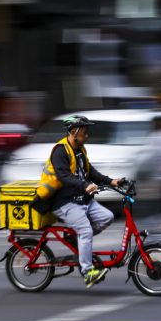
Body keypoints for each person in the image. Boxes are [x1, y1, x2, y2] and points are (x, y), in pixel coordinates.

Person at [42, 115, 124, 288]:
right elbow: (63, 176)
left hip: (83, 200)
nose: (86, 136)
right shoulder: (60, 150)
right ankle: (88, 272)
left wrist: (111, 181)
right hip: (64, 202)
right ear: (74, 132)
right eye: (84, 133)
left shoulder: (80, 150)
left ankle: (79, 243)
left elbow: (90, 171)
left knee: (107, 217)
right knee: (86, 231)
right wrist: (85, 185)